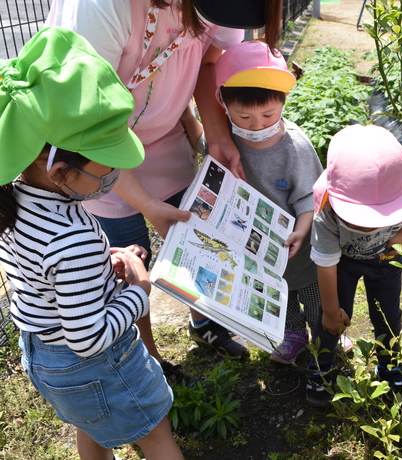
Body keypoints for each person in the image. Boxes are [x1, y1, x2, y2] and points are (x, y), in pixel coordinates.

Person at [45, 0, 284, 378]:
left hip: (164, 136)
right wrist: (147, 205)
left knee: (197, 232)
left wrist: (217, 133)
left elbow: (208, 60)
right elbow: (84, 120)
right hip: (96, 154)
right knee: (128, 264)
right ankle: (148, 359)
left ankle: (205, 322)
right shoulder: (102, 7)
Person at [0, 27, 183, 460]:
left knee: (94, 423)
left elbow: (49, 271)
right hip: (94, 362)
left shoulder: (18, 197)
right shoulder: (72, 237)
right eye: (107, 169)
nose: (115, 178)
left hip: (46, 354)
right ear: (59, 169)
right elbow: (88, 336)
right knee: (156, 434)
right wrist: (138, 294)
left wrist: (105, 260)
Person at [213, 40, 328, 363]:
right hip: (259, 246)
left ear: (283, 103)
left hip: (300, 243)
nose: (257, 125)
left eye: (268, 114)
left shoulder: (295, 146)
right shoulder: (226, 139)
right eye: (244, 116)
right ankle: (292, 334)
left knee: (313, 292)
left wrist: (301, 232)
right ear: (222, 104)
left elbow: (309, 198)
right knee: (281, 293)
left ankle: (325, 333)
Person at [305, 124, 402, 408]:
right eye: (358, 217)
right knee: (332, 318)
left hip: (387, 261)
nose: (367, 224)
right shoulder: (326, 210)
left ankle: (390, 367)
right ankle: (322, 367)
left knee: (388, 316)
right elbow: (326, 264)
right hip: (344, 263)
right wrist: (330, 310)